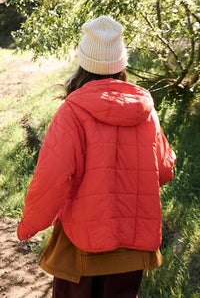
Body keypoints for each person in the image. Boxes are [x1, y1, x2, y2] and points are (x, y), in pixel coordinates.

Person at [17, 16, 176, 298]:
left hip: (82, 247)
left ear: (83, 63)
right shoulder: (146, 111)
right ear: (121, 63)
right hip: (133, 247)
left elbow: (52, 180)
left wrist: (28, 227)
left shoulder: (72, 112)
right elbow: (164, 171)